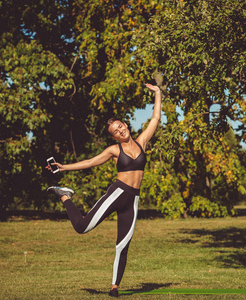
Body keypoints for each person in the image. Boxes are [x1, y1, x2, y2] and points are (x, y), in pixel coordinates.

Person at [46, 83, 161, 298]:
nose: (120, 130)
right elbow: (90, 162)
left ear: (126, 125)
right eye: (116, 131)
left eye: (121, 126)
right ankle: (64, 195)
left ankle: (114, 287)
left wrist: (157, 93)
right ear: (114, 137)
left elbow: (154, 119)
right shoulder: (113, 150)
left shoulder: (142, 141)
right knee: (81, 227)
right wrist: (64, 167)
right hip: (117, 193)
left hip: (133, 200)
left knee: (123, 244)